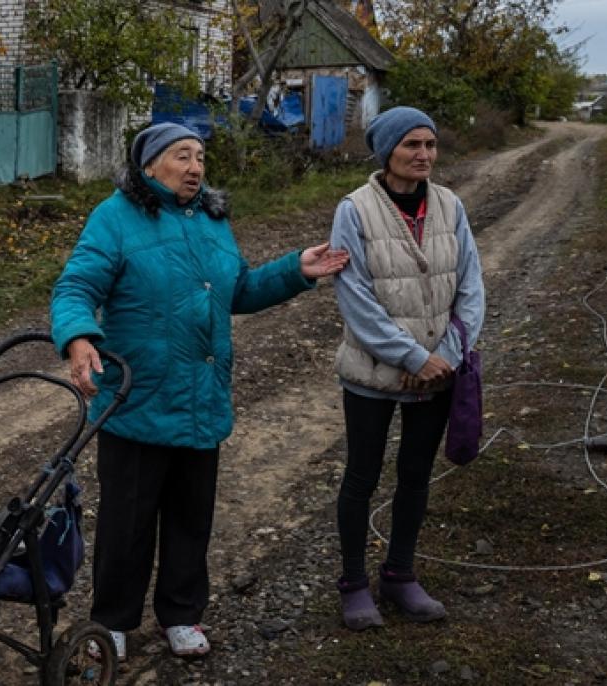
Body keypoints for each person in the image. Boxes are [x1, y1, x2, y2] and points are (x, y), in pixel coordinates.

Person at [50, 122, 348, 659]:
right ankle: (113, 621)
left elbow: (238, 290)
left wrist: (295, 270)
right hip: (138, 398)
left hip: (201, 399)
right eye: (182, 156)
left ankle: (182, 615)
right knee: (127, 522)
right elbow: (76, 286)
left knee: (191, 518)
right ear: (149, 166)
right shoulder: (115, 217)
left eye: (201, 157)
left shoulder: (213, 219)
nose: (195, 167)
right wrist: (77, 339)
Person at [328, 106, 484, 630]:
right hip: (373, 374)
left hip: (438, 373)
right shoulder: (354, 210)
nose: (423, 155)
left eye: (430, 145)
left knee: (415, 476)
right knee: (361, 477)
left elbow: (471, 286)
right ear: (387, 150)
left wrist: (448, 354)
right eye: (411, 145)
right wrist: (412, 356)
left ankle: (399, 574)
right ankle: (353, 584)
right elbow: (354, 297)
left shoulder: (450, 206)